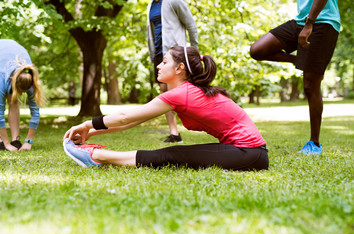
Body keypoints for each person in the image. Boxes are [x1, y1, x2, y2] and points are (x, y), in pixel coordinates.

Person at [63, 46, 269, 171]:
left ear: (179, 68)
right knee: (174, 153)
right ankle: (98, 157)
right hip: (248, 152)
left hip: (249, 153)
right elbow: (133, 120)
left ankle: (96, 157)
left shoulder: (183, 94)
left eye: (164, 62)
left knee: (172, 155)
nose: (158, 66)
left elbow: (125, 116)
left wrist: (87, 123)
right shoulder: (185, 93)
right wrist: (91, 131)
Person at [249, 0, 340, 155]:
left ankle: (314, 143)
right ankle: (299, 60)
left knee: (310, 86)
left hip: (323, 22)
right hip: (301, 21)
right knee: (257, 50)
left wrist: (309, 23)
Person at [147, 0, 198, 143]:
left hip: (175, 53)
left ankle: (202, 122)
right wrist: (153, 54)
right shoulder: (150, 5)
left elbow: (191, 25)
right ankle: (174, 133)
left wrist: (194, 51)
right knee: (165, 92)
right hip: (158, 54)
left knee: (183, 91)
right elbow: (151, 31)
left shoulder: (174, 1)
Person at [0, 39, 45, 151]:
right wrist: (6, 144)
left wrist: (28, 141)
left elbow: (35, 113)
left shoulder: (30, 79)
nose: (21, 94)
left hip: (14, 50)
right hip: (2, 56)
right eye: (20, 91)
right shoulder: (2, 78)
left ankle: (15, 140)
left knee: (13, 100)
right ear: (12, 81)